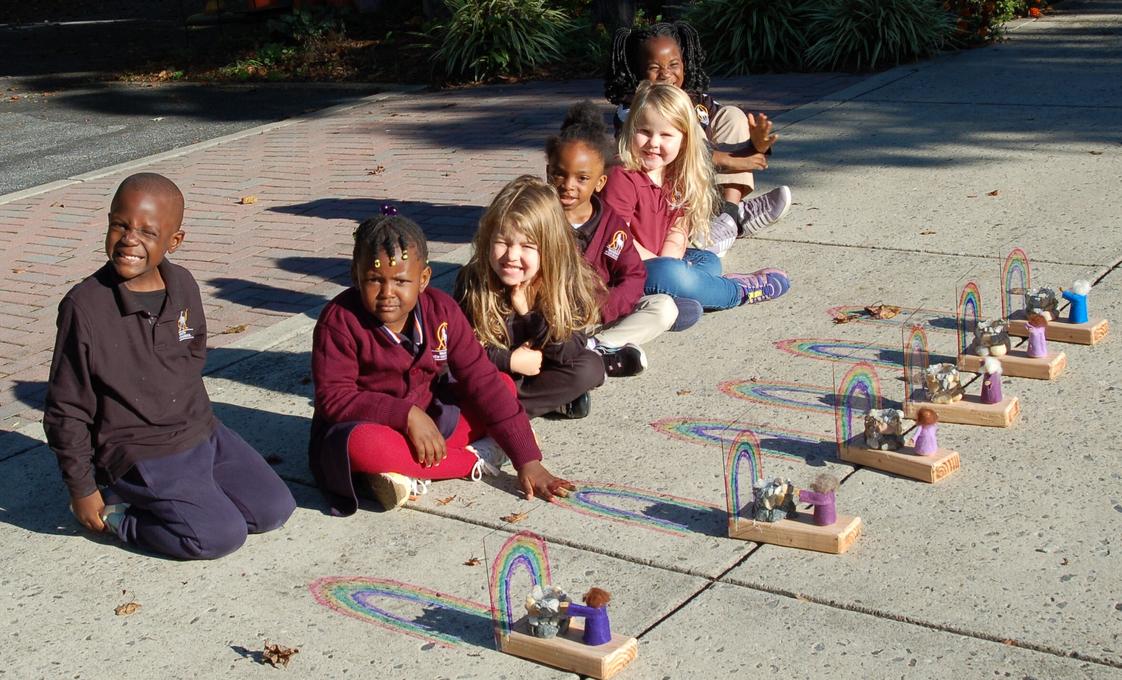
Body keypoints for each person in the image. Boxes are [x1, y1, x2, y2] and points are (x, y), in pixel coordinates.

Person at [43, 173, 295, 560]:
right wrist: (82, 490)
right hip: (138, 451)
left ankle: (186, 495)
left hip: (201, 431)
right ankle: (124, 513)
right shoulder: (86, 307)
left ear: (173, 241)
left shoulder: (183, 286)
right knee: (218, 535)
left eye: (148, 232)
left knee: (273, 508)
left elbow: (192, 355)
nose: (130, 239)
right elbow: (66, 407)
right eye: (120, 225)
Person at [310, 212, 574, 515]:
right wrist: (406, 415)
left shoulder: (441, 311)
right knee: (362, 446)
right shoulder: (339, 321)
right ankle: (472, 459)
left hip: (431, 423)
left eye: (401, 280)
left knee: (500, 385)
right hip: (371, 426)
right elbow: (334, 398)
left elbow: (482, 379)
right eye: (373, 280)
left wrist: (528, 460)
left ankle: (409, 472)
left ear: (423, 279)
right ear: (356, 275)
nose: (387, 293)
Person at [601, 82, 790, 312]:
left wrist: (671, 263)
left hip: (658, 263)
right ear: (630, 129)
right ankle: (738, 291)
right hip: (622, 271)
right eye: (644, 131)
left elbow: (678, 231)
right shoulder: (622, 176)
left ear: (684, 140)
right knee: (672, 274)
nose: (654, 143)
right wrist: (666, 267)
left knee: (708, 261)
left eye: (666, 134)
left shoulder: (677, 175)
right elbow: (620, 242)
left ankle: (674, 298)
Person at [545, 101, 700, 369]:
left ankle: (596, 348)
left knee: (664, 308)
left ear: (599, 181)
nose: (569, 186)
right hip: (554, 318)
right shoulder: (538, 219)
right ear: (549, 173)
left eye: (582, 178)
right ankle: (585, 356)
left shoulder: (610, 223)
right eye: (560, 175)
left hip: (600, 313)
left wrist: (605, 308)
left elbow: (633, 275)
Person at [605, 20, 791, 239]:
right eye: (655, 68)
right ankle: (730, 219)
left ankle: (727, 217)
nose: (666, 74)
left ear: (685, 63)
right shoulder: (634, 107)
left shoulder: (696, 100)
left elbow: (729, 132)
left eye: (673, 65)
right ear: (638, 72)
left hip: (699, 183)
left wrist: (757, 146)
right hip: (664, 193)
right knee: (686, 128)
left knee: (732, 115)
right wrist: (730, 159)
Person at [456, 176, 606, 419]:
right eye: (502, 242)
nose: (511, 256)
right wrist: (510, 360)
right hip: (496, 372)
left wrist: (530, 314)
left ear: (550, 249)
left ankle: (504, 413)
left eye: (527, 246)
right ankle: (518, 412)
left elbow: (568, 350)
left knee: (590, 367)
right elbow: (463, 348)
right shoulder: (474, 281)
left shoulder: (564, 280)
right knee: (458, 382)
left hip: (542, 369)